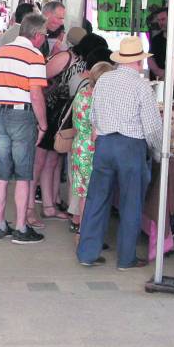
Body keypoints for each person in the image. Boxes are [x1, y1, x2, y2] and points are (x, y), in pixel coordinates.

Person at [76, 36, 161, 269]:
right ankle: (126, 258)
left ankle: (87, 253)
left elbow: (93, 115)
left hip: (104, 144)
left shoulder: (104, 81)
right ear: (138, 62)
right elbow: (152, 127)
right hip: (131, 147)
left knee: (96, 199)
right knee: (130, 203)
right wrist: (157, 151)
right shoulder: (142, 86)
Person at [27, 29, 101, 228]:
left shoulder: (86, 64)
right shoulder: (67, 57)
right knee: (39, 162)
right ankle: (28, 208)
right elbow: (39, 79)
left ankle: (49, 206)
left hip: (62, 114)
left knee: (52, 160)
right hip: (49, 111)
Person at [0, 13, 48, 245]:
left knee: (2, 172)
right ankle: (21, 227)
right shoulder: (35, 55)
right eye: (44, 35)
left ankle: (0, 224)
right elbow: (36, 94)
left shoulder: (2, 51)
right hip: (21, 115)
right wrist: (42, 123)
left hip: (1, 113)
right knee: (23, 174)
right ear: (36, 35)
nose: (44, 39)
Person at [68, 60, 113, 233]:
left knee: (83, 192)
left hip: (79, 145)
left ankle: (80, 224)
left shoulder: (81, 94)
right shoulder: (98, 100)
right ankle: (87, 231)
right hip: (92, 149)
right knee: (93, 194)